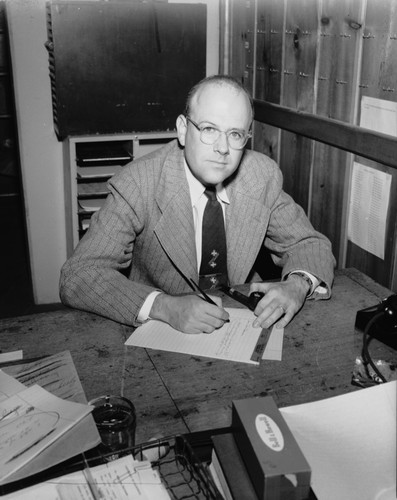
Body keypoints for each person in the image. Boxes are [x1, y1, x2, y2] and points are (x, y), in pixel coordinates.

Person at [60, 75, 335, 334]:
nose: (223, 148)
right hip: (159, 330)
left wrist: (297, 285)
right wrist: (163, 306)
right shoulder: (138, 183)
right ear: (182, 129)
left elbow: (310, 244)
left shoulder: (261, 177)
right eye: (209, 129)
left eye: (236, 134)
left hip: (240, 322)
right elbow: (79, 275)